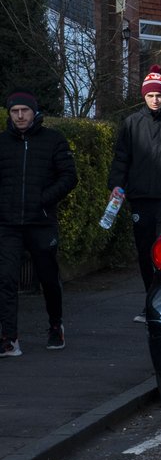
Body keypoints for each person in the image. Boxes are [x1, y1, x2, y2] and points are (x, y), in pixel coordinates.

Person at [108, 65, 161, 323]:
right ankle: (151, 304)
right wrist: (115, 184)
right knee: (146, 253)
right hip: (141, 199)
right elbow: (121, 159)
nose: (155, 99)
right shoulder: (132, 123)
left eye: (159, 95)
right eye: (150, 95)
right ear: (143, 96)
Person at [0, 92, 78, 355]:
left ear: (34, 112)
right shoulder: (2, 143)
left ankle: (56, 326)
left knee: (47, 278)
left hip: (41, 222)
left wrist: (42, 200)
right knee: (6, 280)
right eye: (14, 111)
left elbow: (69, 176)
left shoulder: (53, 140)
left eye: (24, 110)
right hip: (8, 224)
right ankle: (9, 338)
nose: (20, 116)